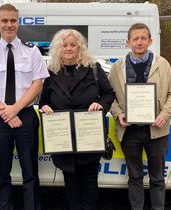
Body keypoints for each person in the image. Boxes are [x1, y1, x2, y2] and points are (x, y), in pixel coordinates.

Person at [0, 3, 49, 210]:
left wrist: (15, 109)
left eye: (13, 20)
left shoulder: (32, 51)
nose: (9, 25)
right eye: (4, 21)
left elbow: (37, 84)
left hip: (25, 115)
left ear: (18, 22)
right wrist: (6, 112)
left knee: (30, 171)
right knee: (1, 171)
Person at [39, 29, 115, 210]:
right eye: (64, 45)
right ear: (58, 48)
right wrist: (45, 108)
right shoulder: (51, 72)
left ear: (80, 47)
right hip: (63, 142)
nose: (69, 48)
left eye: (73, 44)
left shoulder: (94, 69)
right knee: (70, 186)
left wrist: (100, 106)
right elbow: (44, 101)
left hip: (89, 139)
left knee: (89, 186)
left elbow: (109, 93)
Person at [108, 23, 171, 210]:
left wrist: (164, 114)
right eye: (135, 39)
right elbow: (109, 96)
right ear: (128, 42)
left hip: (156, 131)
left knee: (157, 178)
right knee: (135, 177)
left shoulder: (162, 64)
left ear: (150, 41)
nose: (139, 42)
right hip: (129, 132)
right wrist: (118, 113)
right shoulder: (117, 67)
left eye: (143, 38)